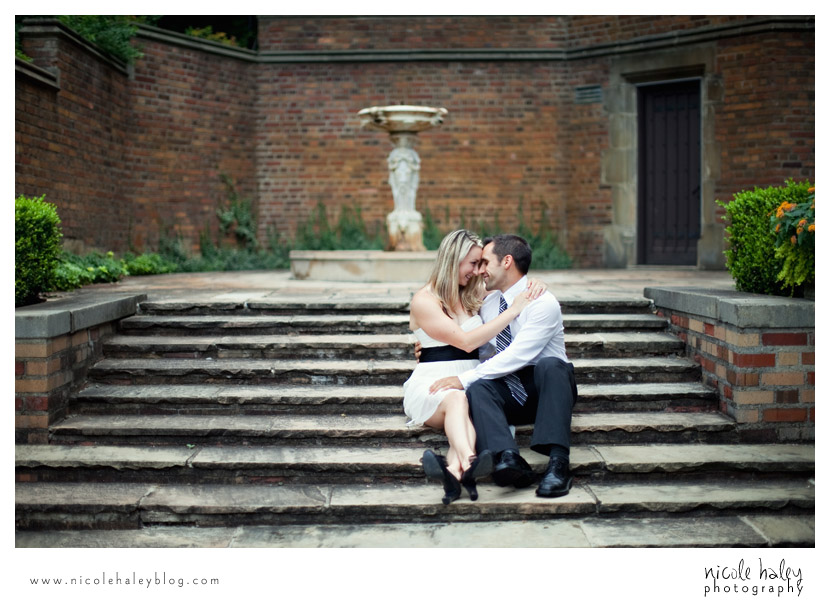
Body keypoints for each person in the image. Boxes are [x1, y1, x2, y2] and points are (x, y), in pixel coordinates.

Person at [429, 234, 578, 498]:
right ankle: (508, 458)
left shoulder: (543, 303)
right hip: (512, 390)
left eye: (486, 262)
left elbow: (518, 355)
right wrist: (430, 349)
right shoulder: (489, 304)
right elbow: (475, 342)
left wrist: (464, 378)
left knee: (552, 365)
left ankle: (559, 464)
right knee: (479, 388)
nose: (480, 270)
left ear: (507, 261)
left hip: (548, 391)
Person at [404, 229, 543, 505]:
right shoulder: (424, 300)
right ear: (453, 260)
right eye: (473, 263)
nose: (478, 271)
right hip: (433, 382)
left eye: (481, 263)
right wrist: (513, 311)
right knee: (456, 399)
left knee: (464, 404)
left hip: (470, 381)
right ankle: (471, 460)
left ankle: (456, 474)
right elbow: (466, 342)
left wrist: (535, 284)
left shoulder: (474, 292)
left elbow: (512, 283)